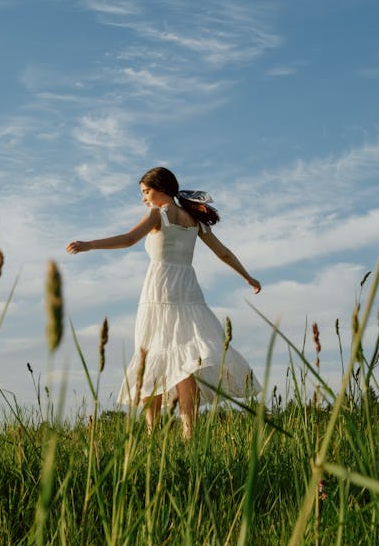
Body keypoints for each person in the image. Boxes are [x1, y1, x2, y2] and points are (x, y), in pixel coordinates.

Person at [66, 166, 261, 438]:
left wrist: (89, 244)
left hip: (159, 291)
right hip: (189, 292)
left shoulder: (159, 214)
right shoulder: (195, 220)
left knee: (153, 356)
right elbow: (224, 253)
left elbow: (128, 239)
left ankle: (150, 433)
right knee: (185, 360)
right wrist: (247, 277)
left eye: (146, 191)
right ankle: (188, 433)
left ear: (161, 189)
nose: (144, 198)